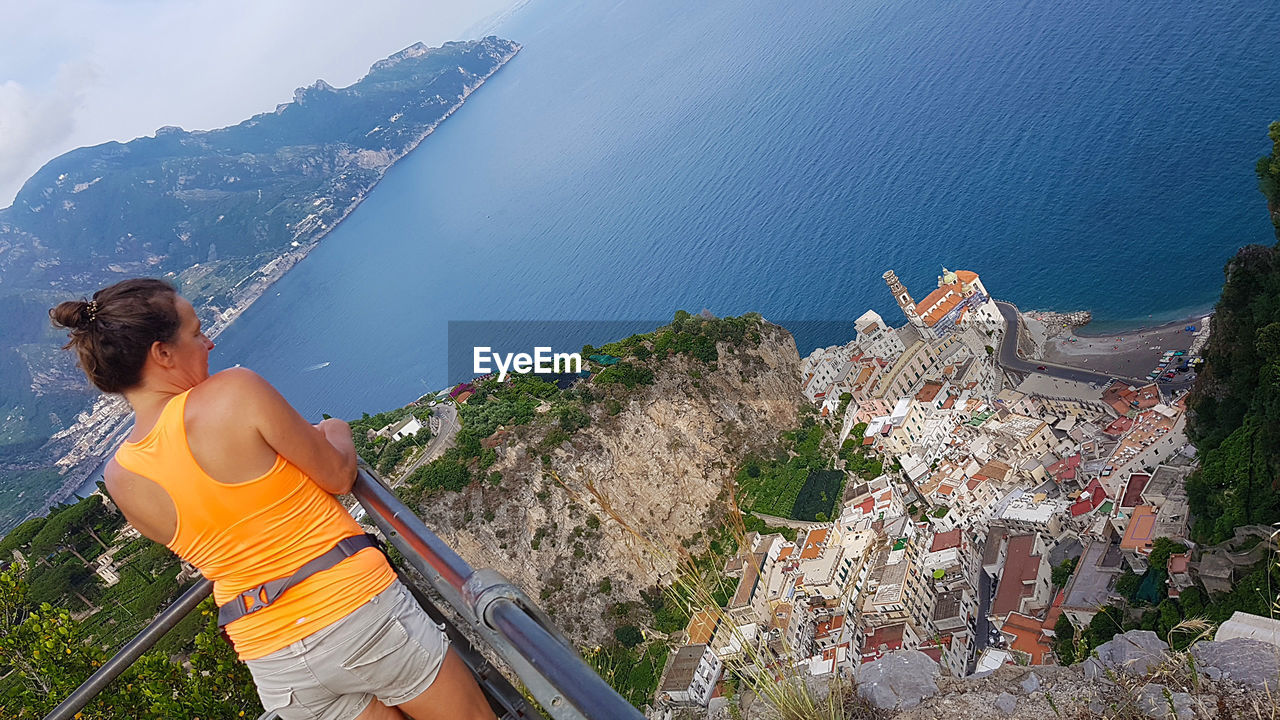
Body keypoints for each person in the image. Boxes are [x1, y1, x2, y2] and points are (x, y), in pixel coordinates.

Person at [51, 279, 495, 720]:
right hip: (355, 611)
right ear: (161, 353)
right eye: (196, 332)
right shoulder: (232, 392)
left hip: (274, 658)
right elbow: (339, 475)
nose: (208, 343)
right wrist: (335, 429)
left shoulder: (120, 476)